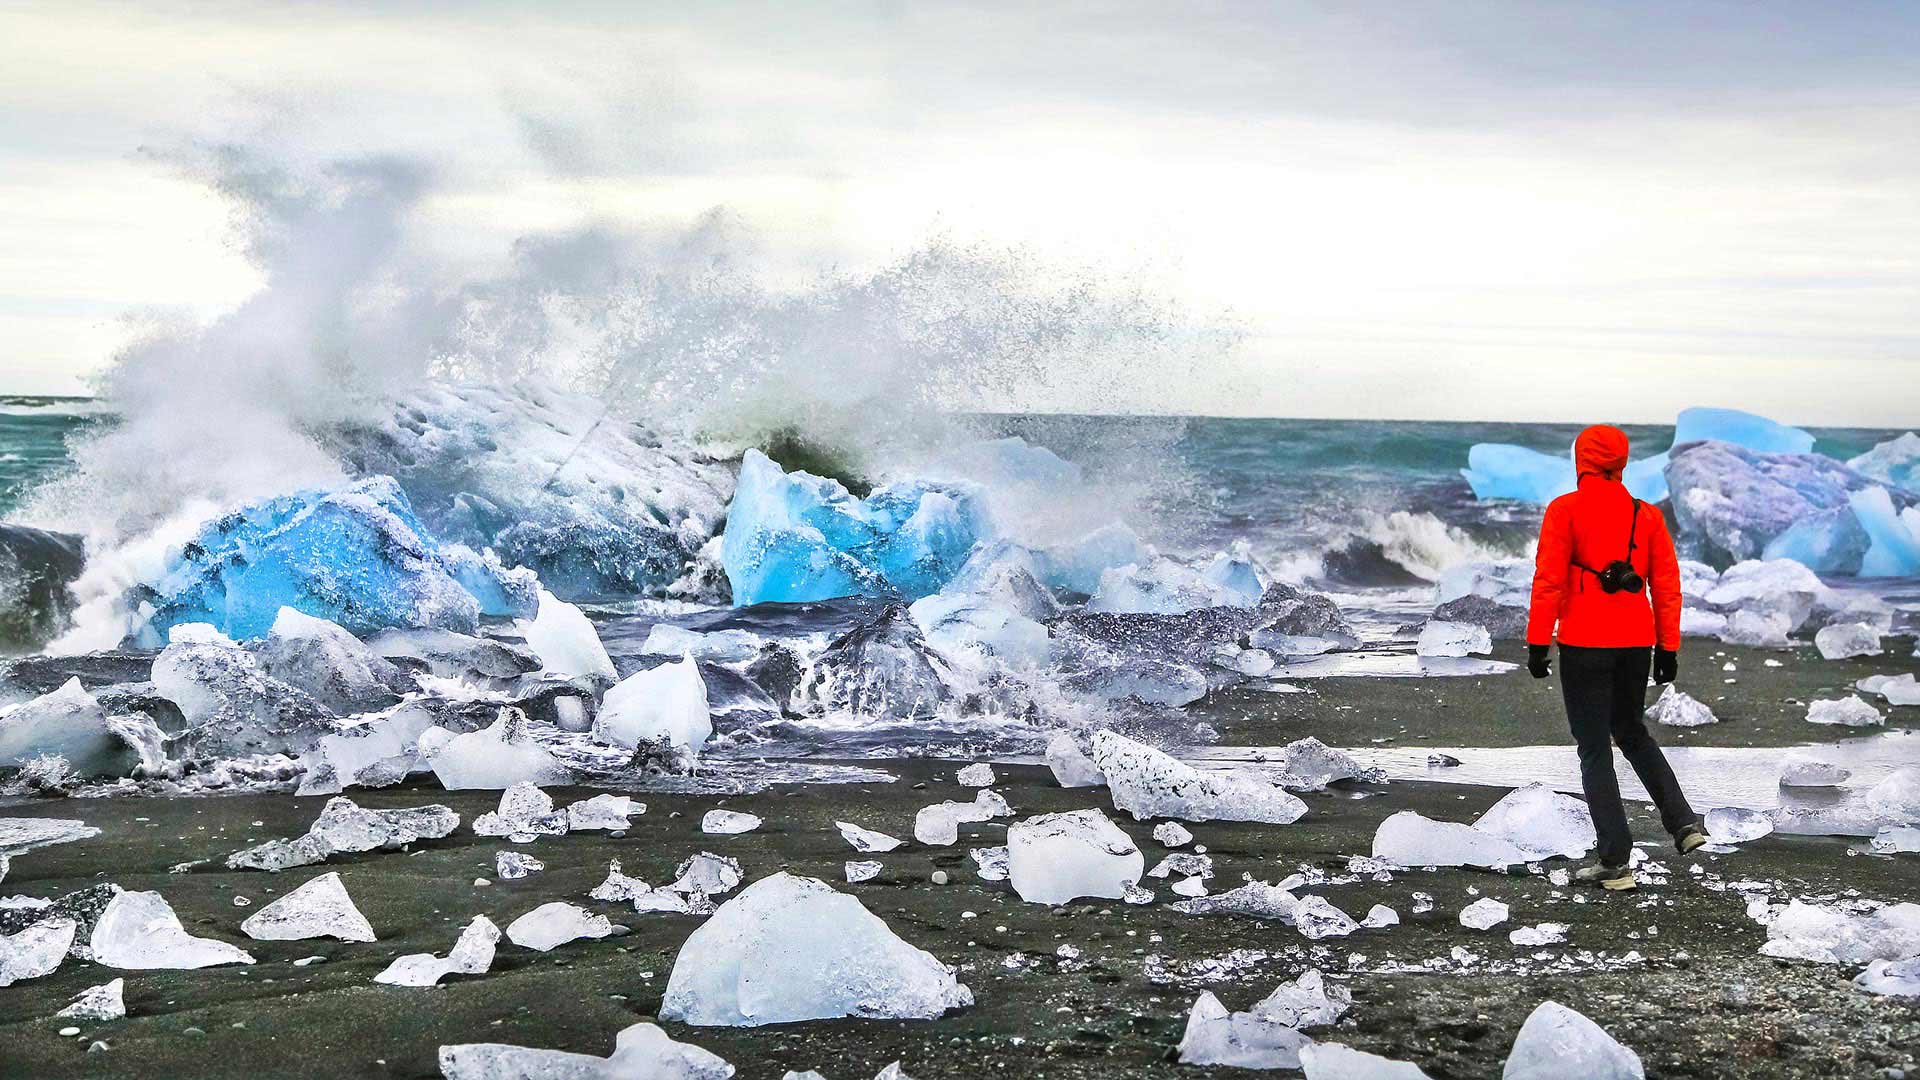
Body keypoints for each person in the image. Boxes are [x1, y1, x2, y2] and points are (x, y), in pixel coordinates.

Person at [1525, 424, 1706, 892]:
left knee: (1593, 747)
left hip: (1584, 645)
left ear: (1581, 461)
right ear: (1621, 464)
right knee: (1632, 733)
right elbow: (1666, 585)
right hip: (1635, 645)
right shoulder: (1645, 516)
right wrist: (1667, 648)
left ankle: (1614, 860)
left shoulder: (1564, 510)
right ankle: (1684, 824)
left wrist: (1538, 643)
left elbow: (1549, 581)